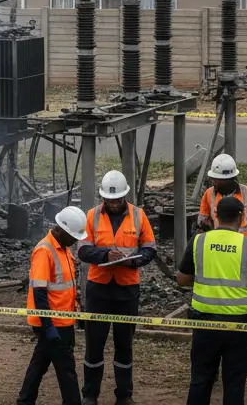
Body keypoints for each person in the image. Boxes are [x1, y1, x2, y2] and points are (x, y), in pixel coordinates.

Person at [177, 195, 247, 405]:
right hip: (239, 327)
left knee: (200, 381)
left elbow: (182, 279)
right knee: (234, 384)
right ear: (240, 217)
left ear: (216, 216)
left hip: (204, 324)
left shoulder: (198, 241)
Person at [77, 170, 157, 405]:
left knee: (124, 346)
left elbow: (150, 248)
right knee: (94, 346)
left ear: (124, 197)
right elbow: (82, 250)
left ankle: (124, 395)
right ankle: (90, 395)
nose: (113, 204)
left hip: (127, 290)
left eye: (117, 200)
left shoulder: (138, 216)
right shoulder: (91, 216)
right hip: (98, 290)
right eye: (109, 200)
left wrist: (133, 261)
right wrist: (105, 254)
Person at [196, 153, 247, 370]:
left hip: (242, 260)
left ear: (231, 178)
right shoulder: (209, 195)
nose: (214, 181)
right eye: (213, 178)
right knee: (215, 307)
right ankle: (215, 356)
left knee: (244, 308)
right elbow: (202, 226)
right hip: (218, 258)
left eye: (218, 178)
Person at [17, 205, 88, 405]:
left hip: (62, 321)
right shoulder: (44, 251)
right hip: (53, 322)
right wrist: (48, 326)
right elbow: (39, 292)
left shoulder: (63, 248)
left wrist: (77, 313)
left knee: (39, 364)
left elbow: (66, 288)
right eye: (73, 236)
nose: (75, 241)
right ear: (60, 230)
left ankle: (25, 400)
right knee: (66, 369)